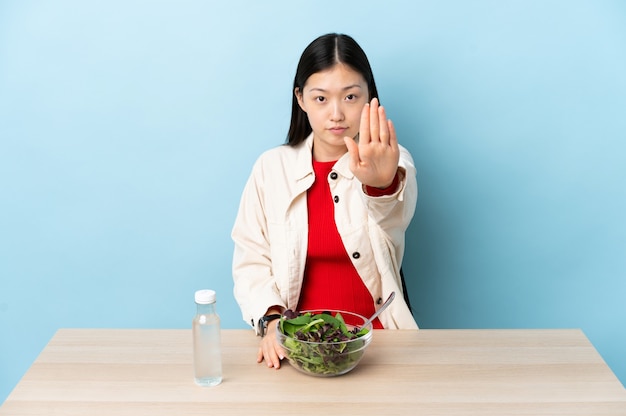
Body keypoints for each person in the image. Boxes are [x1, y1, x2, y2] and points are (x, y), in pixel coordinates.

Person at [231, 33, 418, 369]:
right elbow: (251, 260)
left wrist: (379, 185)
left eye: (350, 96)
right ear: (300, 99)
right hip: (297, 347)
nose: (336, 114)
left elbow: (393, 220)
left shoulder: (391, 159)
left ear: (369, 98)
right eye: (320, 98)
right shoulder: (270, 168)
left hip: (378, 345)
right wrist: (272, 322)